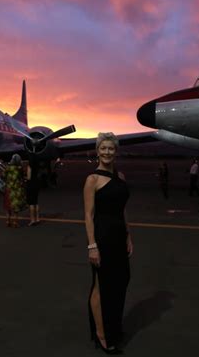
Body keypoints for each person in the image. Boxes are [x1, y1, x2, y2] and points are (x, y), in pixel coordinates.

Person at [83, 132, 133, 354]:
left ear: (116, 151)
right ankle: (102, 335)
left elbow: (122, 210)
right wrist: (92, 245)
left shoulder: (120, 176)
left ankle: (114, 326)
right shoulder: (92, 180)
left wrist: (128, 236)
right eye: (103, 148)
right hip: (102, 238)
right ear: (97, 150)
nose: (107, 152)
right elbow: (88, 215)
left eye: (111, 148)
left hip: (119, 236)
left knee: (120, 283)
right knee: (101, 285)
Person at [3, 154, 27, 227]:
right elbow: (23, 177)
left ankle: (8, 221)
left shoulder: (8, 168)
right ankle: (15, 222)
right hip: (17, 189)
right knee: (15, 207)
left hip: (9, 188)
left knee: (8, 206)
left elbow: (3, 175)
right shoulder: (20, 168)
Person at [26, 157, 40, 226]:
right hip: (36, 183)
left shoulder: (29, 166)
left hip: (31, 184)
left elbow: (28, 177)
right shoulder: (37, 167)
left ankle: (32, 220)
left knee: (31, 203)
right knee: (36, 202)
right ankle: (37, 218)